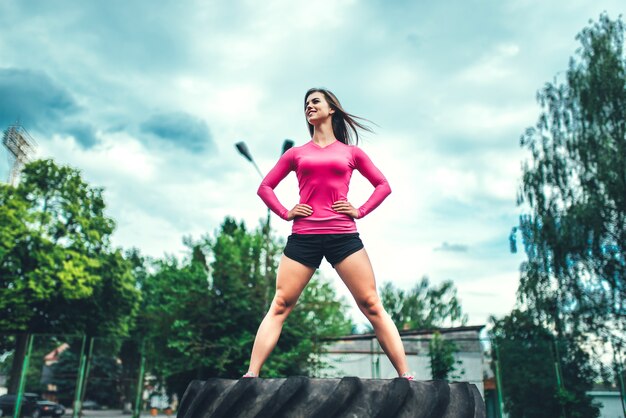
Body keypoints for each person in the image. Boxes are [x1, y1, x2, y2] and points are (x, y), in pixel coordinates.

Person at [242, 88, 413, 380]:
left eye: (315, 101)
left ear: (331, 108)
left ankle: (405, 376)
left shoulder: (351, 153)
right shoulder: (296, 154)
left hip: (343, 236)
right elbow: (264, 187)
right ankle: (251, 375)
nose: (309, 106)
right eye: (306, 104)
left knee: (371, 304)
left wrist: (360, 210)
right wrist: (286, 212)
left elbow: (383, 185)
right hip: (304, 237)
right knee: (280, 304)